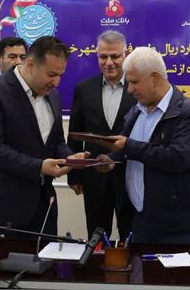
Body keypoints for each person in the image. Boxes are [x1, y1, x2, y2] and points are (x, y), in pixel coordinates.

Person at [94, 47, 190, 244]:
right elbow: (125, 148)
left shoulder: (189, 114)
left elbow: (177, 158)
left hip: (179, 228)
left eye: (134, 82)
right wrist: (111, 161)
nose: (129, 89)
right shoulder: (136, 111)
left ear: (155, 78)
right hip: (139, 222)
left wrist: (128, 146)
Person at [0, 36, 86, 235]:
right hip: (4, 208)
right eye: (51, 74)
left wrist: (70, 158)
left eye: (60, 75)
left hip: (44, 206)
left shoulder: (53, 95)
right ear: (31, 64)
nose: (56, 82)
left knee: (47, 256)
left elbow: (55, 141)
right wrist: (39, 167)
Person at [67, 30, 136, 241]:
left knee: (131, 236)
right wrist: (74, 175)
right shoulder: (83, 89)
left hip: (130, 176)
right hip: (94, 178)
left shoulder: (138, 88)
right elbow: (74, 135)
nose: (109, 63)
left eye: (115, 56)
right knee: (97, 237)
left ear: (126, 54)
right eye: (103, 57)